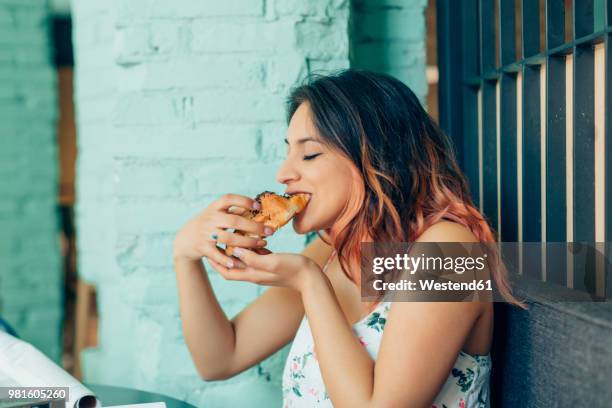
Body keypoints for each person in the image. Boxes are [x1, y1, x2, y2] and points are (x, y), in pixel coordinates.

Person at [173, 69, 525, 407]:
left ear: (375, 155)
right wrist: (185, 257)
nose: (283, 174)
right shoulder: (330, 252)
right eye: (288, 151)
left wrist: (309, 283)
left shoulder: (450, 251)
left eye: (309, 154)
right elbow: (220, 357)